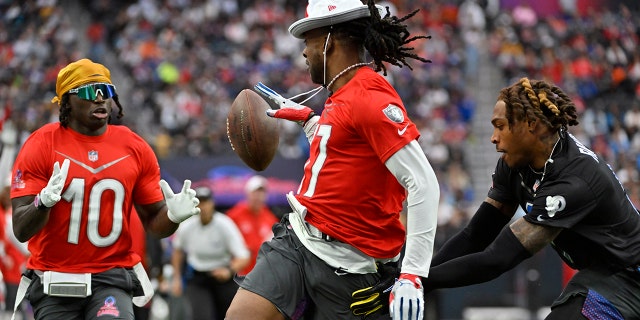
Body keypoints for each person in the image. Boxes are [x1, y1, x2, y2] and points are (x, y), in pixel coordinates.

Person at [351, 77, 640, 319]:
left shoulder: (574, 180)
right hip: (600, 273)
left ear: (531, 125)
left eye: (500, 126)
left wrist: (416, 281)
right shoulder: (516, 164)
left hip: (629, 278)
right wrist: (413, 275)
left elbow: (497, 259)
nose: (493, 137)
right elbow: (476, 234)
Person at [225, 0, 440, 319]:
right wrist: (310, 121)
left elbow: (423, 184)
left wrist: (412, 274)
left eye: (309, 41)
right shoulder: (343, 92)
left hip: (350, 267)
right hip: (298, 240)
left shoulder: (369, 96)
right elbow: (346, 158)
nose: (304, 52)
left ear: (330, 40)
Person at [9, 58, 201, 320]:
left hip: (111, 274)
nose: (100, 99)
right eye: (90, 92)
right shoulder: (42, 143)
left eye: (106, 92)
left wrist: (172, 217)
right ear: (67, 101)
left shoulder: (133, 146)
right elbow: (20, 230)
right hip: (55, 278)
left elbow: (154, 223)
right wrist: (42, 202)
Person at [170, 186, 250, 320]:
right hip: (198, 278)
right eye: (200, 202)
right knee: (202, 315)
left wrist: (228, 270)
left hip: (222, 277)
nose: (203, 207)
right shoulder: (187, 225)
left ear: (212, 203)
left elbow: (243, 256)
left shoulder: (224, 224)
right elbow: (178, 250)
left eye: (206, 202)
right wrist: (176, 278)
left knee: (230, 315)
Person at [225, 175, 278, 276]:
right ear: (248, 193)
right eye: (255, 192)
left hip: (260, 273)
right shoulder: (235, 215)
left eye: (262, 192)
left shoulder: (270, 218)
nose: (258, 196)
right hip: (238, 271)